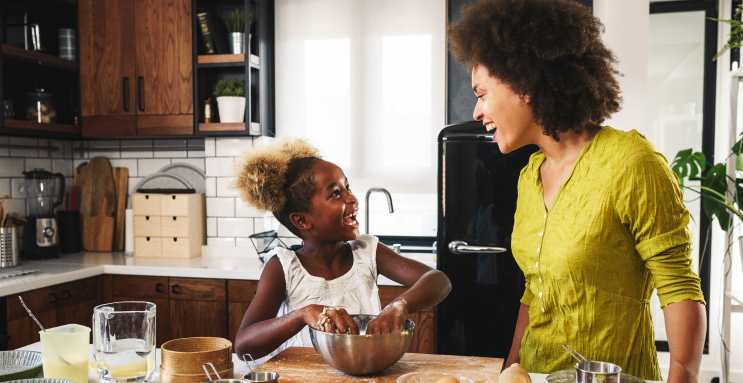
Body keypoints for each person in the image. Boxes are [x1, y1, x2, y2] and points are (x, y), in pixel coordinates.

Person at [448, 0, 706, 381]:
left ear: (525, 84)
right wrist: (510, 370)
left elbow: (679, 287)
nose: (476, 111)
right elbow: (534, 294)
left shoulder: (631, 162)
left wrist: (682, 377)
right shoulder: (529, 175)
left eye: (482, 93)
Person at [232, 139, 452, 359]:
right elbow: (243, 346)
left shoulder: (367, 252)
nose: (353, 199)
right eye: (336, 194)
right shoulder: (284, 267)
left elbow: (439, 281)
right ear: (302, 220)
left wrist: (399, 305)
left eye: (347, 187)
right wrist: (302, 315)